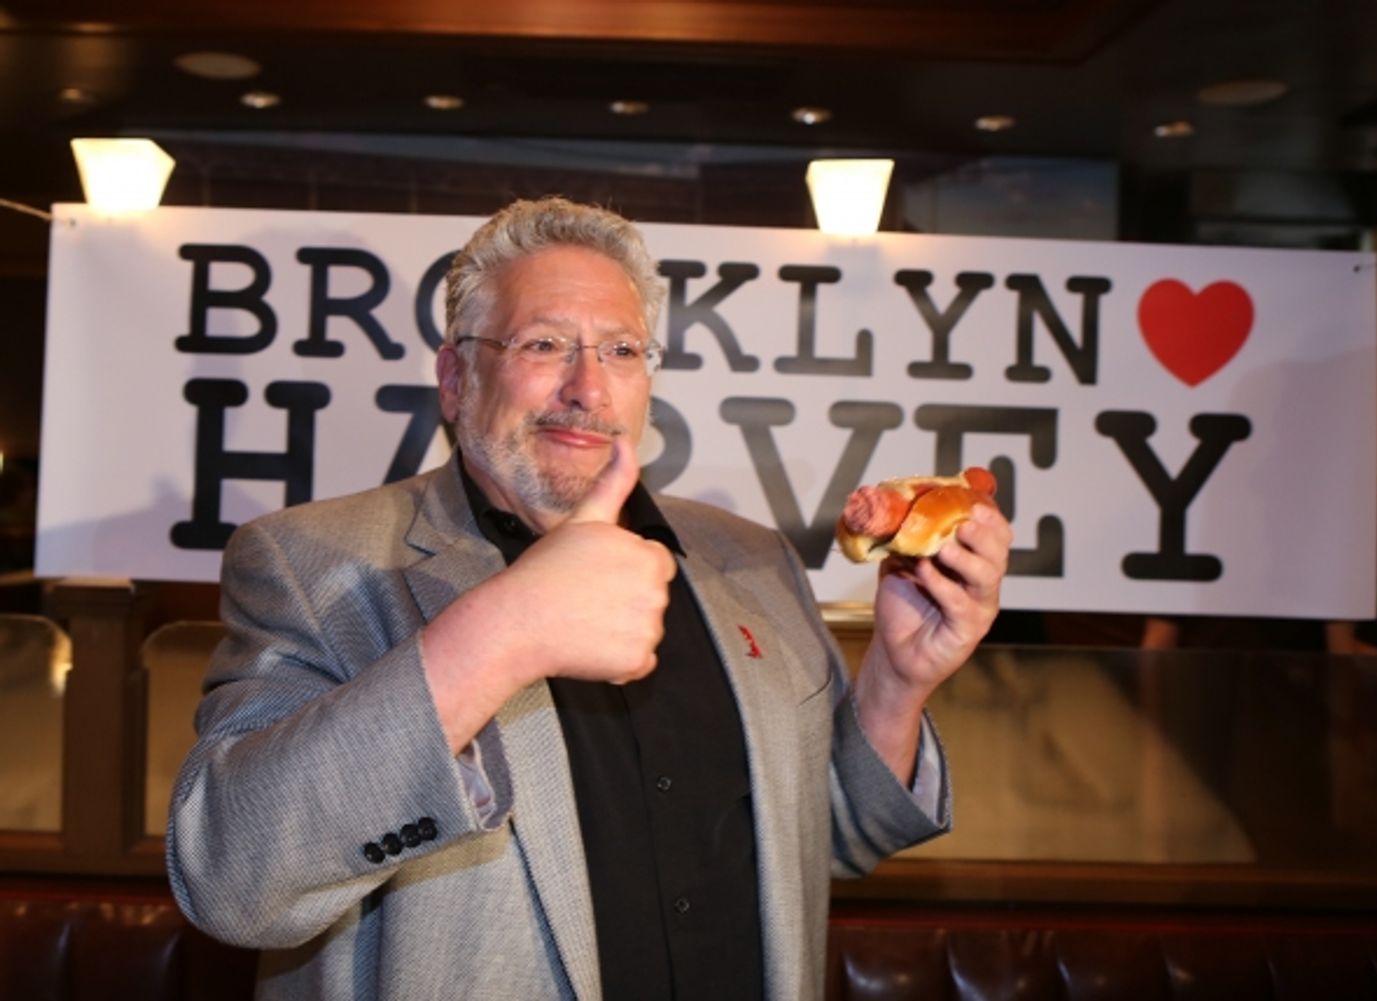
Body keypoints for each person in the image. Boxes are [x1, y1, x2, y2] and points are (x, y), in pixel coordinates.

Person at [166, 196, 1012, 1001]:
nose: (587, 387)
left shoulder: (747, 559)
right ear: (457, 377)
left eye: (620, 350)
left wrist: (899, 682)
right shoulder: (310, 561)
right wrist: (504, 631)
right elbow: (233, 877)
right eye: (543, 345)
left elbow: (829, 837)